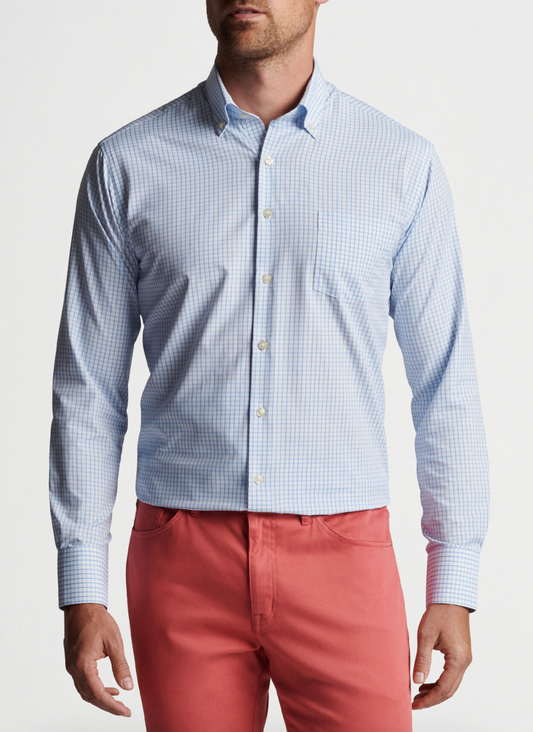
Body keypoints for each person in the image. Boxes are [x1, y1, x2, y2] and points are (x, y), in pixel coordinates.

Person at [49, 1, 490, 730]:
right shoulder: (127, 163)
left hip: (345, 553)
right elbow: (88, 389)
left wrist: (454, 579)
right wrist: (81, 586)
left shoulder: (399, 163)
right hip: (180, 558)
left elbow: (445, 384)